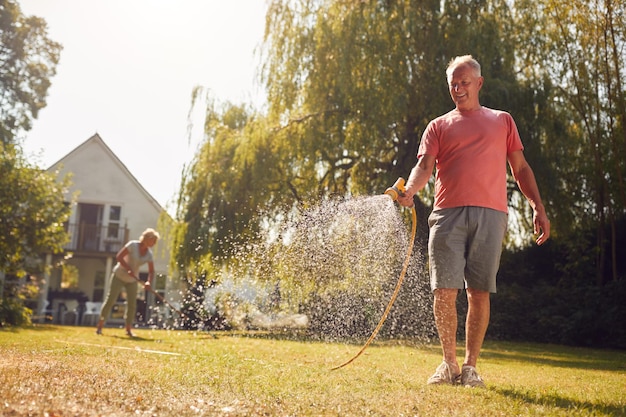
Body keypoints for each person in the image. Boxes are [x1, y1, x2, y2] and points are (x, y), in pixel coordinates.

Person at [396, 55, 550, 387]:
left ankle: (470, 368)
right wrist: (409, 190)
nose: (459, 88)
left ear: (479, 83)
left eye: (465, 82)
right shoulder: (438, 125)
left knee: (479, 292)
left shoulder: (502, 121)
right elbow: (424, 167)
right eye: (453, 83)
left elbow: (520, 169)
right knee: (443, 291)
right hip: (447, 215)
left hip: (491, 215)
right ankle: (449, 364)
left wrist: (537, 205)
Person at [96, 228, 160, 337]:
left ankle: (128, 329)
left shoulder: (149, 254)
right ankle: (100, 326)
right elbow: (119, 257)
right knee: (111, 300)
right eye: (153, 240)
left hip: (132, 279)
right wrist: (128, 268)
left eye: (155, 241)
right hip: (119, 275)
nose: (154, 243)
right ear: (147, 238)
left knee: (132, 304)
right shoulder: (132, 245)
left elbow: (151, 271)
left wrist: (148, 282)